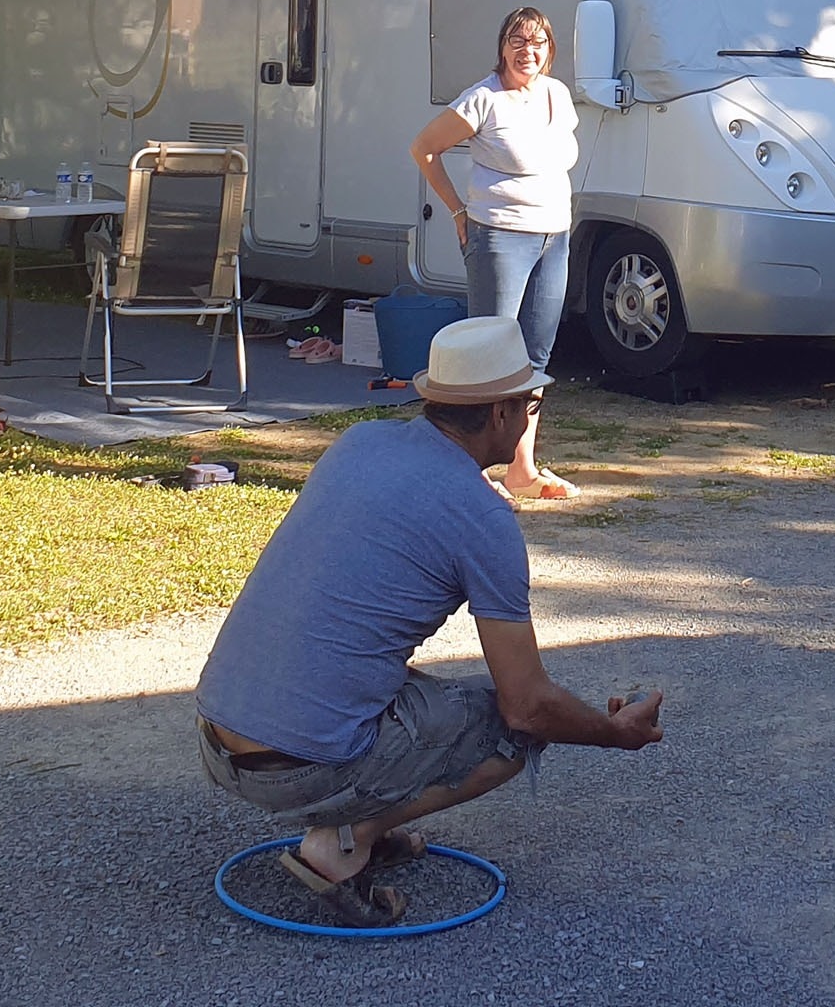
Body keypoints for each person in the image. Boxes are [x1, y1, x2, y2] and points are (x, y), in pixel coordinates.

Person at [192, 316, 667, 925]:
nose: (530, 418)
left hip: (217, 736)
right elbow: (528, 705)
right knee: (513, 733)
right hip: (299, 769)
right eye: (530, 404)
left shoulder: (360, 442)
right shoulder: (482, 517)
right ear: (501, 413)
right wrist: (613, 733)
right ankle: (344, 842)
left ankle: (356, 815)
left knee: (386, 672)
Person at [410, 6, 580, 503]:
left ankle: (522, 469)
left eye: (538, 43)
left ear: (550, 50)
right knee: (487, 356)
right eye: (517, 42)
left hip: (554, 236)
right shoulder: (482, 99)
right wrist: (458, 212)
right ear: (503, 48)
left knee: (534, 356)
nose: (528, 52)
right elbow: (424, 148)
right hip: (500, 236)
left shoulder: (557, 94)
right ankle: (473, 471)